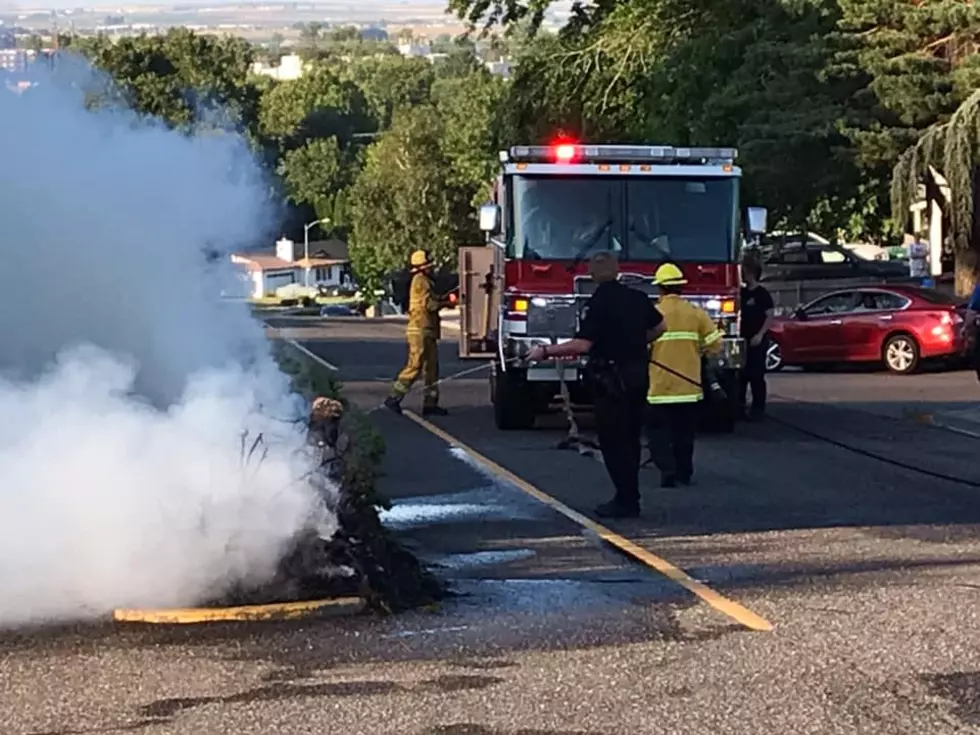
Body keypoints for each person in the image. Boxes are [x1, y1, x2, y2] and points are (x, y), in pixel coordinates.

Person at [527, 252, 666, 518]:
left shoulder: (599, 303)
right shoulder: (638, 298)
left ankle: (625, 500)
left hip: (611, 381)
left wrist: (544, 352)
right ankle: (631, 494)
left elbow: (582, 344)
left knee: (614, 442)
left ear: (592, 275)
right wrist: (636, 342)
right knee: (632, 439)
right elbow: (661, 327)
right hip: (638, 376)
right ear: (617, 271)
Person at [645, 262, 724, 488]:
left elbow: (640, 344)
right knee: (684, 434)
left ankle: (667, 470)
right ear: (681, 288)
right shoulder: (696, 313)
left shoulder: (654, 314)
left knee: (657, 433)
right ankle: (684, 473)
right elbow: (715, 344)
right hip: (689, 388)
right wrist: (697, 351)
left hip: (659, 388)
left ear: (660, 288)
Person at [384, 250, 455, 416]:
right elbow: (428, 305)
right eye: (428, 265)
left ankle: (430, 403)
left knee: (431, 369)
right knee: (415, 366)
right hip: (420, 330)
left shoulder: (424, 281)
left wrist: (442, 300)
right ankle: (394, 398)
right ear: (421, 266)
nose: (431, 267)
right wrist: (447, 302)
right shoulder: (420, 281)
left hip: (428, 330)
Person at [738, 255, 775, 420]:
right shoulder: (742, 293)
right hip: (743, 339)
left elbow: (769, 316)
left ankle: (758, 408)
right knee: (741, 375)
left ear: (751, 272)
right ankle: (739, 406)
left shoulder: (762, 294)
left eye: (744, 271)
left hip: (757, 340)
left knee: (756, 375)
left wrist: (760, 335)